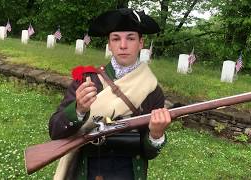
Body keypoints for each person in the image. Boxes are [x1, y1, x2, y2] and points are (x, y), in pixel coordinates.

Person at [49, 8, 171, 180]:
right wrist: (78, 110)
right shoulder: (87, 80)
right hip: (88, 171)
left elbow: (148, 153)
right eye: (116, 38)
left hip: (129, 172)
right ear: (109, 44)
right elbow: (55, 130)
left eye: (130, 38)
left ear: (141, 43)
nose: (123, 45)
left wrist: (156, 135)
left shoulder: (152, 90)